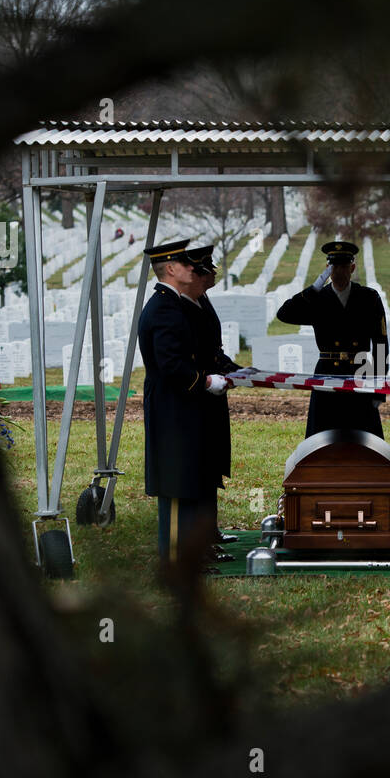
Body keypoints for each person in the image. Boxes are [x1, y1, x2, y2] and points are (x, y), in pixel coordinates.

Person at [138, 239, 239, 567]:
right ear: (170, 269)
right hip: (173, 406)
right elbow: (170, 363)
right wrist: (207, 380)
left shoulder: (182, 303)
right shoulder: (165, 307)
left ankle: (196, 544)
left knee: (195, 472)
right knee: (177, 479)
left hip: (188, 404)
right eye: (188, 265)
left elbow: (205, 350)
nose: (198, 271)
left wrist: (233, 372)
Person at [275, 240, 389, 439]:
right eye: (334, 266)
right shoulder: (318, 298)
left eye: (344, 266)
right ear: (327, 268)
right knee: (323, 439)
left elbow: (381, 345)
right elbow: (284, 314)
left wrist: (379, 389)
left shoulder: (368, 298)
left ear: (352, 268)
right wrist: (315, 287)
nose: (339, 272)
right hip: (327, 374)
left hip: (360, 373)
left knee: (363, 441)